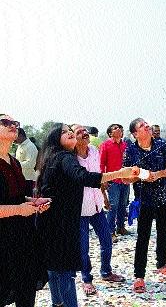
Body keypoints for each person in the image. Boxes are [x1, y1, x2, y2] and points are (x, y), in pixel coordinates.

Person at [37, 123, 138, 307]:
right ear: (54, 138)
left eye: (70, 131)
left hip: (56, 219)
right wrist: (119, 173)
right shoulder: (66, 157)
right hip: (61, 222)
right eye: (65, 132)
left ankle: (58, 303)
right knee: (65, 269)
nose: (71, 134)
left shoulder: (57, 156)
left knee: (55, 268)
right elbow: (85, 177)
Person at [123, 117, 166, 294]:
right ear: (135, 133)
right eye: (142, 126)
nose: (147, 126)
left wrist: (159, 174)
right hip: (144, 199)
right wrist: (139, 175)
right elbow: (125, 177)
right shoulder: (130, 150)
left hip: (164, 197)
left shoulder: (161, 144)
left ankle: (162, 264)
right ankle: (139, 276)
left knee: (163, 232)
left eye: (147, 124)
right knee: (143, 237)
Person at [0, 114, 50, 307]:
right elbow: (15, 205)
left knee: (26, 288)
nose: (13, 126)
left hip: (22, 236)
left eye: (15, 123)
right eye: (5, 122)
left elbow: (17, 196)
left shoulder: (14, 161)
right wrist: (19, 209)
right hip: (3, 239)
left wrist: (34, 202)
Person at [72, 124, 126, 296]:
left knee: (107, 240)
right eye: (79, 132)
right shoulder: (70, 157)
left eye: (85, 131)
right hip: (80, 209)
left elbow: (100, 178)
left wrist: (104, 198)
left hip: (97, 206)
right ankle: (86, 278)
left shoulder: (94, 150)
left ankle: (106, 271)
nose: (84, 134)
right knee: (83, 247)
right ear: (73, 137)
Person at [100, 123, 130, 240]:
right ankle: (110, 231)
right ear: (110, 133)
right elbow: (101, 164)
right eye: (115, 128)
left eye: (120, 128)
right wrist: (103, 180)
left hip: (125, 180)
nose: (119, 130)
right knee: (113, 206)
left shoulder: (125, 145)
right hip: (113, 181)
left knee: (123, 205)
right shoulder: (105, 145)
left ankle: (121, 227)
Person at [14, 128, 39, 196]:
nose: (13, 139)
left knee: (27, 202)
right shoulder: (20, 146)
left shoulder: (30, 146)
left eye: (15, 136)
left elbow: (30, 164)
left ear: (21, 136)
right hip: (20, 178)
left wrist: (15, 164)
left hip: (28, 179)